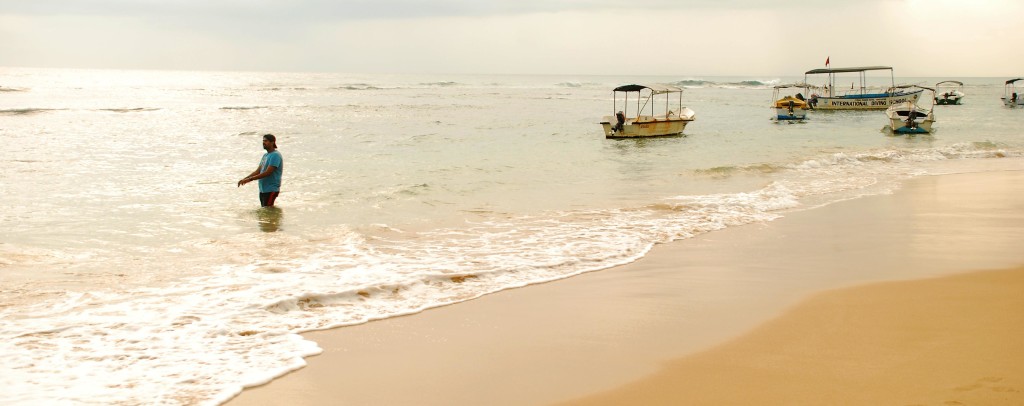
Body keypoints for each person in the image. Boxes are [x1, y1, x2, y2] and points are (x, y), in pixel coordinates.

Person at [238, 133, 284, 207]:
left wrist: (250, 179)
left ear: (272, 142)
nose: (263, 142)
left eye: (266, 141)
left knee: (268, 211)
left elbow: (268, 172)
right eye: (263, 141)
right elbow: (258, 171)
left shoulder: (275, 155)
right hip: (263, 189)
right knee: (265, 213)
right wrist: (245, 179)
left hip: (271, 189)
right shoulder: (265, 155)